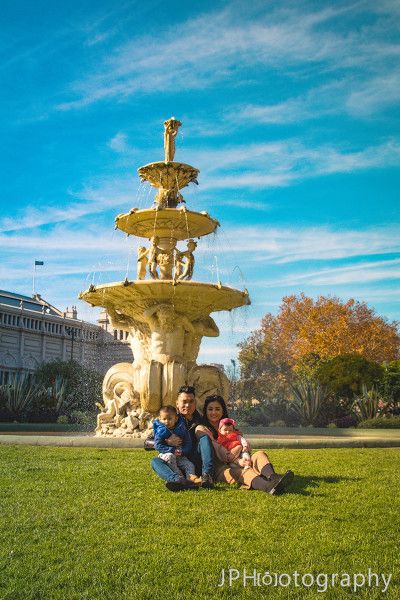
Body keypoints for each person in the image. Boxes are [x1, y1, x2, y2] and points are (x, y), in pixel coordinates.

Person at [196, 395, 294, 494]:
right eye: (210, 409)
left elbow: (244, 443)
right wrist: (238, 459)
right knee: (243, 472)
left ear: (222, 411)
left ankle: (274, 478)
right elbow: (219, 450)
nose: (213, 412)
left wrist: (245, 451)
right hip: (222, 468)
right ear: (205, 411)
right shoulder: (202, 429)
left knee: (260, 454)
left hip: (242, 459)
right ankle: (268, 486)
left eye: (217, 409)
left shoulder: (229, 425)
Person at [150, 385, 215, 492]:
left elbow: (216, 438)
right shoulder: (169, 419)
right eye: (184, 401)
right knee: (155, 461)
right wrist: (167, 441)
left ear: (195, 403)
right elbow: (147, 442)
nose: (188, 405)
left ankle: (207, 476)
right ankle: (177, 480)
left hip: (194, 460)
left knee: (204, 437)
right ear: (177, 403)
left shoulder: (202, 420)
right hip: (173, 460)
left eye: (191, 401)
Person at [153, 405, 200, 486]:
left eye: (169, 419)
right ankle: (179, 478)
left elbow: (188, 442)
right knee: (170, 457)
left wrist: (183, 451)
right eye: (164, 419)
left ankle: (191, 478)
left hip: (180, 455)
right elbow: (157, 445)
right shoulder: (161, 431)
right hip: (166, 455)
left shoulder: (181, 428)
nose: (167, 421)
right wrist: (171, 449)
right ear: (160, 419)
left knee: (189, 464)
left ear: (176, 418)